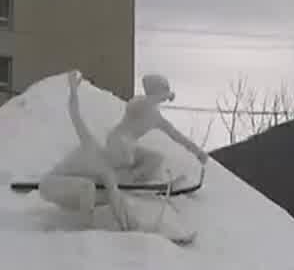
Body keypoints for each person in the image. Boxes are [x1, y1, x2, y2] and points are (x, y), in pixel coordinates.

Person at [37, 71, 211, 231]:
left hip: (124, 148)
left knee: (155, 159)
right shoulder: (137, 104)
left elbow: (176, 135)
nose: (125, 163)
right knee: (91, 186)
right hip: (115, 143)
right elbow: (76, 115)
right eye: (161, 92)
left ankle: (131, 182)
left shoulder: (156, 119)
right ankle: (86, 231)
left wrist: (198, 152)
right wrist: (73, 90)